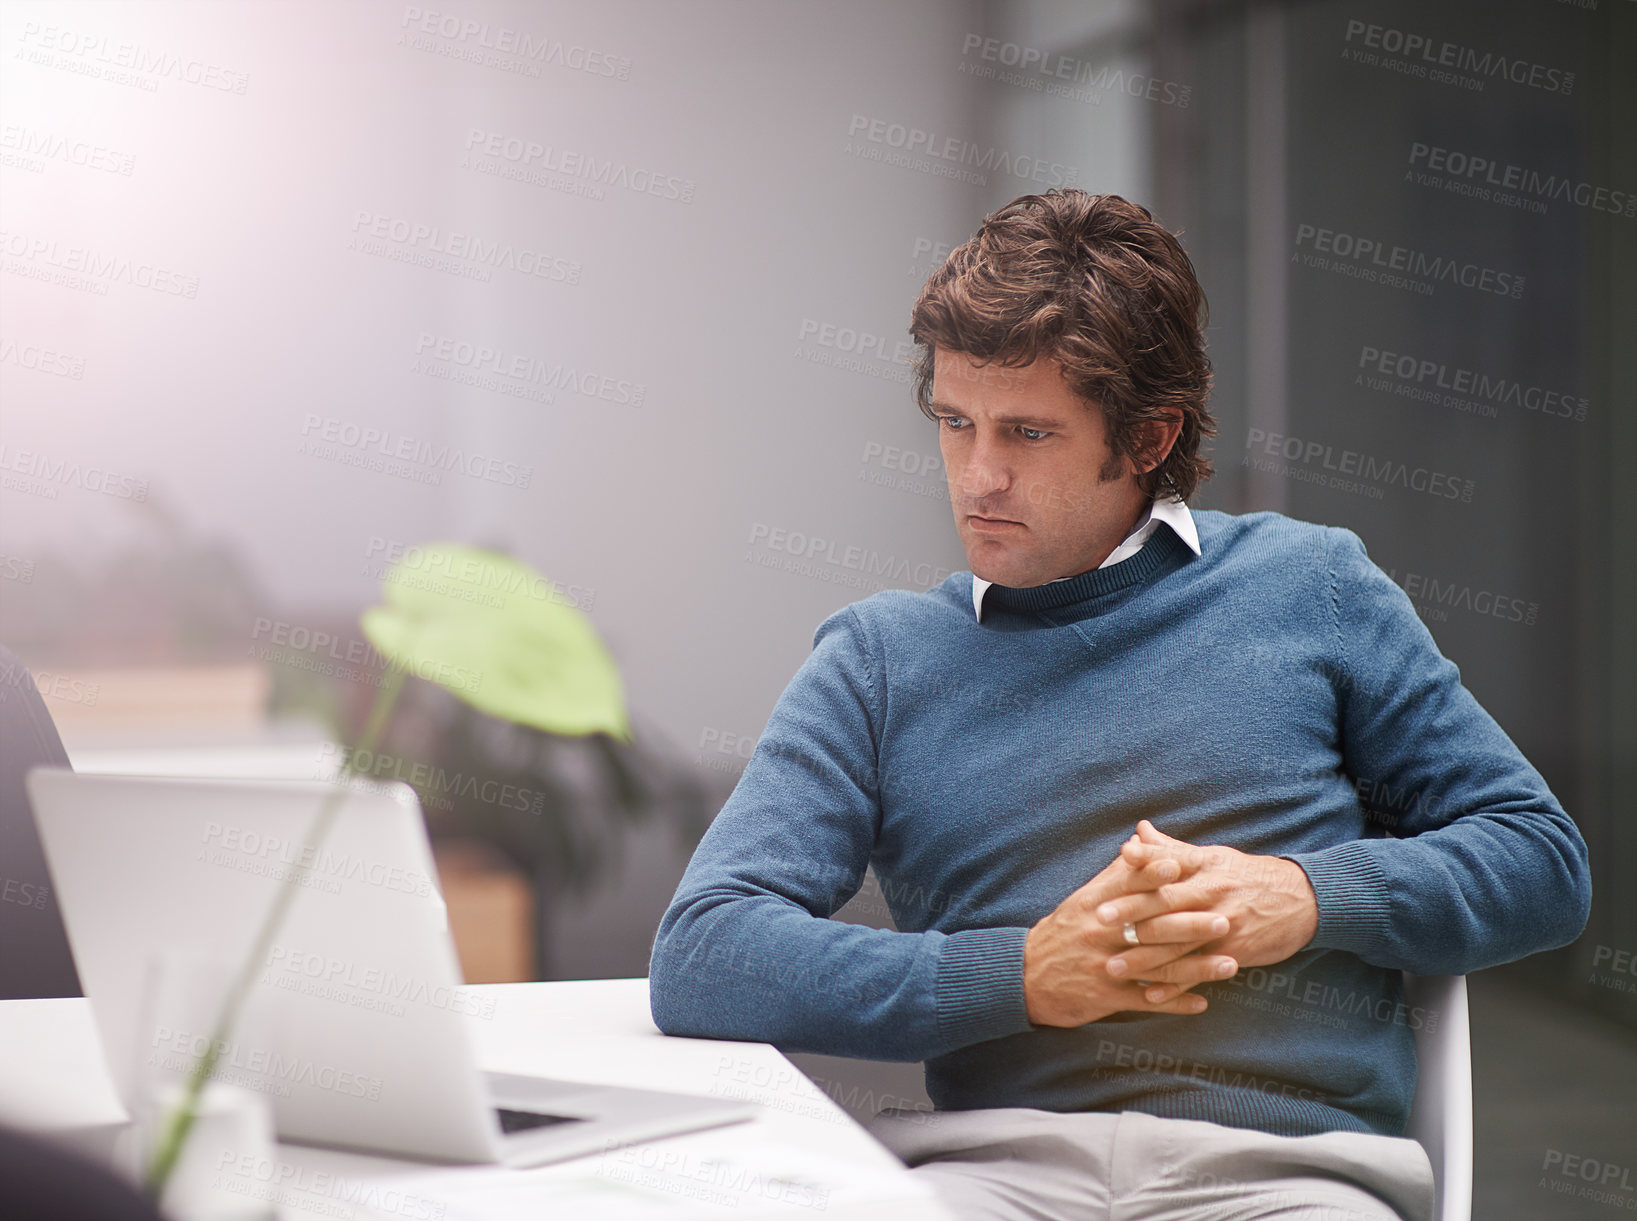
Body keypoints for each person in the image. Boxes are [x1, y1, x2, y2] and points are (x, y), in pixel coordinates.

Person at [648, 189, 1591, 1220]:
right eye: (954, 424)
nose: (978, 475)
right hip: (990, 1177)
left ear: (1147, 439)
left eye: (1027, 434)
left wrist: (1302, 896)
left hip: (1280, 1183)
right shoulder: (878, 660)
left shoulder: (1309, 588)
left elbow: (1539, 863)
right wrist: (1021, 976)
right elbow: (705, 954)